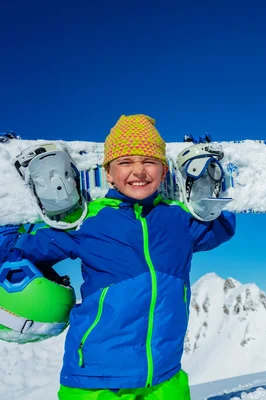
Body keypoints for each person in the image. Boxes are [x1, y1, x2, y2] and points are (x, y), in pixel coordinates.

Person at [2, 114, 236, 399]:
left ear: (164, 172)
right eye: (125, 162)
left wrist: (207, 189)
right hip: (96, 379)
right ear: (108, 174)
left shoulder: (178, 221)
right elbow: (20, 250)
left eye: (149, 162)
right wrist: (10, 212)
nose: (138, 171)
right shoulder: (88, 220)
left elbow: (218, 229)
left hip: (164, 374)